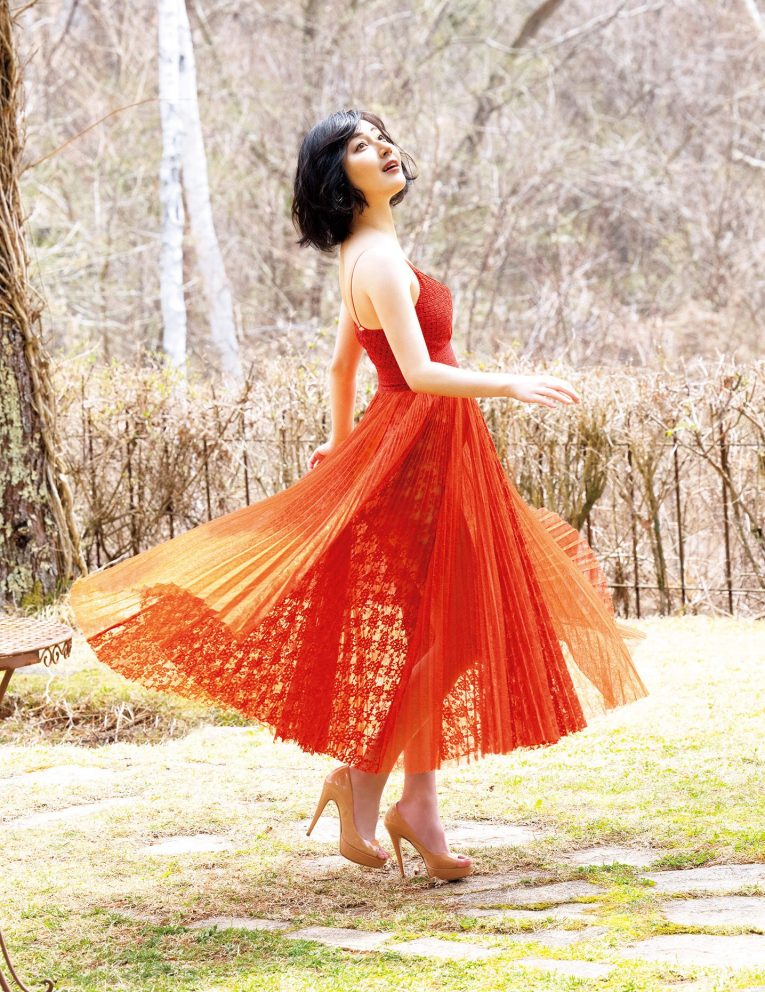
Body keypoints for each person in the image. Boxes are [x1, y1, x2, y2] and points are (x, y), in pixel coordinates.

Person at [68, 108, 649, 884]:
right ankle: (368, 780)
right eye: (359, 147)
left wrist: (343, 443)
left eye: (381, 138)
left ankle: (416, 805)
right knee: (464, 627)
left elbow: (344, 367)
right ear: (336, 176)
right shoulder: (373, 260)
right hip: (420, 452)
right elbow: (419, 373)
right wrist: (509, 383)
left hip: (421, 449)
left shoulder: (365, 253)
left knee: (439, 628)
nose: (383, 150)